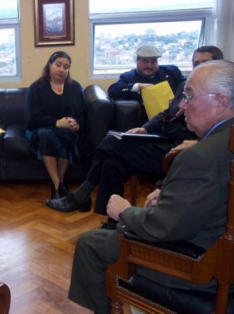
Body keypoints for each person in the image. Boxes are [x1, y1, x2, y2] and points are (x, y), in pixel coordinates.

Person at [68, 60, 234, 314]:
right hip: (218, 248)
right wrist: (169, 193)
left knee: (90, 243)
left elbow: (162, 226)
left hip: (200, 265)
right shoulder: (223, 142)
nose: (181, 104)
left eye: (189, 96)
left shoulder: (200, 156)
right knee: (112, 161)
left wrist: (124, 211)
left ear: (221, 102)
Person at [46, 46, 224, 216]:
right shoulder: (185, 85)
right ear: (137, 61)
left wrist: (199, 143)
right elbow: (166, 112)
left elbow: (224, 132)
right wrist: (145, 128)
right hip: (161, 137)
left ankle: (82, 195)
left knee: (111, 142)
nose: (149, 65)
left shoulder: (219, 95)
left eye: (204, 63)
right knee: (110, 163)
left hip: (181, 147)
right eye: (195, 63)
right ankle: (111, 222)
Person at [25, 51, 88, 203]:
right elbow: (31, 119)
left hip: (66, 130)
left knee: (67, 134)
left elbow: (83, 113)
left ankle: (58, 184)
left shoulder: (75, 87)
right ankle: (58, 185)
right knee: (48, 135)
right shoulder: (36, 88)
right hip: (39, 129)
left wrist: (76, 124)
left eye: (66, 67)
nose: (61, 69)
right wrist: (57, 123)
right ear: (50, 65)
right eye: (58, 65)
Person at [108, 44, 186, 123]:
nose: (149, 66)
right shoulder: (128, 77)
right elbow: (113, 91)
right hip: (148, 122)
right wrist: (138, 86)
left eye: (153, 62)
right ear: (137, 61)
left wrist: (178, 99)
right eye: (145, 62)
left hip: (176, 118)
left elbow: (188, 87)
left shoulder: (171, 71)